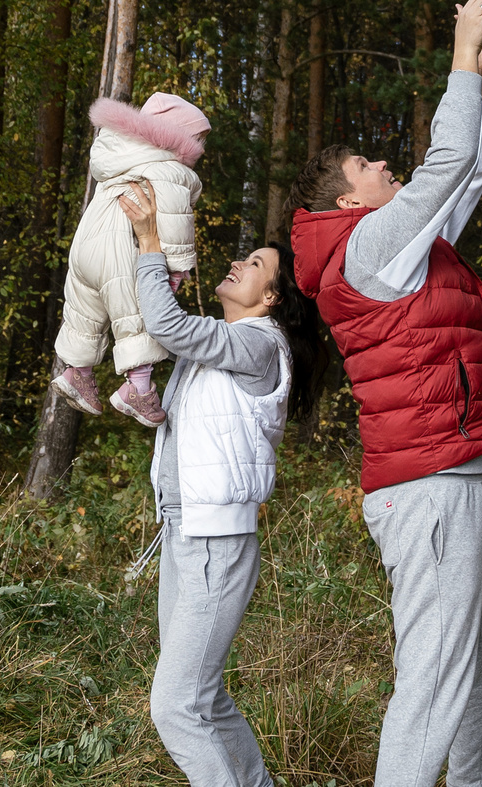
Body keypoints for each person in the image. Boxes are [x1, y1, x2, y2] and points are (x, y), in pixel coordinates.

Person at [290, 0, 482, 787]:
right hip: (427, 490)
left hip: (463, 478)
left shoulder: (405, 247)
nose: (387, 162)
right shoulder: (366, 248)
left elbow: (468, 171)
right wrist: (459, 56)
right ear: (352, 200)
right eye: (369, 164)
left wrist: (477, 81)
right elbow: (446, 161)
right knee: (433, 681)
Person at [118, 177, 329, 787]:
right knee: (203, 700)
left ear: (271, 298)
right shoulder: (217, 351)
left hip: (216, 543)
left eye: (256, 263)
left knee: (176, 706)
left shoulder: (259, 344)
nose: (239, 262)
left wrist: (150, 238)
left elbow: (168, 322)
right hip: (184, 533)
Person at [51, 92, 210, 426]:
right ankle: (138, 388)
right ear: (175, 134)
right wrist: (177, 270)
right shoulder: (169, 169)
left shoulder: (118, 157)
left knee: (85, 312)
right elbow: (174, 221)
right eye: (199, 138)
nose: (201, 147)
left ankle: (76, 371)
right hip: (121, 251)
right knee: (138, 313)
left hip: (86, 247)